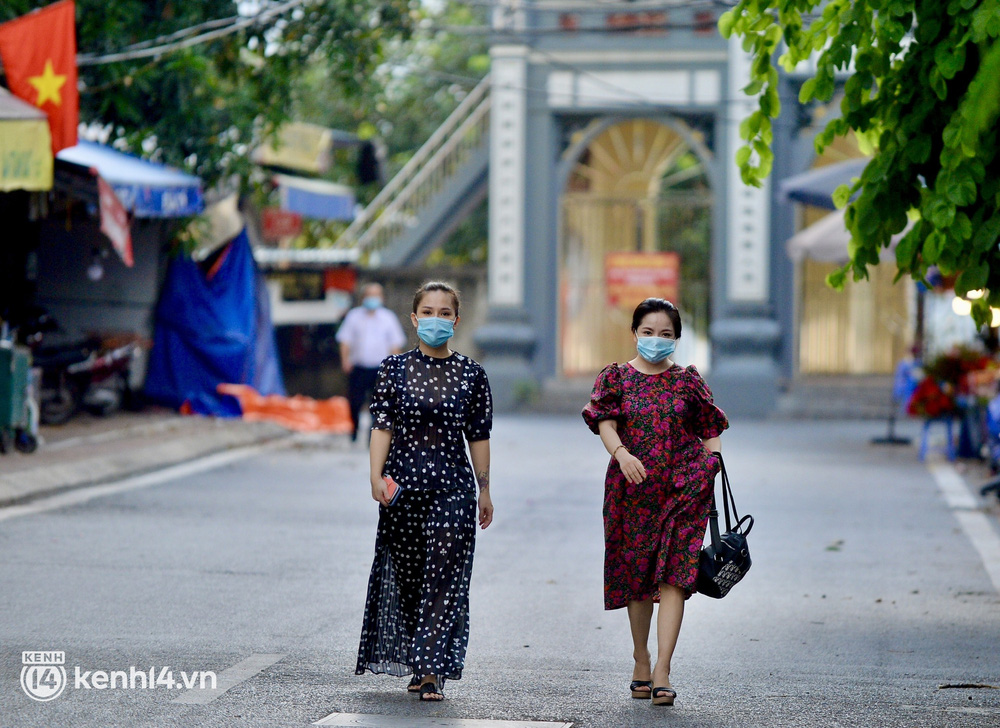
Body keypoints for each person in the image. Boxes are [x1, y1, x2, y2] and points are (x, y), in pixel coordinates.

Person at [581, 297, 728, 707]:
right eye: (648, 332)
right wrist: (622, 454)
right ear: (634, 333)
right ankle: (641, 657)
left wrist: (711, 462)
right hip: (632, 491)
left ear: (677, 339)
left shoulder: (688, 381)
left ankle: (663, 668)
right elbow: (604, 422)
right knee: (638, 577)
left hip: (684, 489)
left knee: (676, 575)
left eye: (666, 334)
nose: (656, 340)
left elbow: (710, 425)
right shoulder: (616, 378)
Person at [356, 281, 494, 702]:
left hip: (452, 490)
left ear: (456, 319)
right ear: (415, 319)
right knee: (413, 578)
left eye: (445, 312)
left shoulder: (472, 374)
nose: (437, 319)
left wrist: (484, 489)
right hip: (402, 491)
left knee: (444, 577)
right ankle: (420, 662)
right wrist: (375, 476)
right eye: (428, 312)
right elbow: (382, 426)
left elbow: (479, 435)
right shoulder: (393, 369)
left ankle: (431, 668)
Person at [336, 283, 406, 441]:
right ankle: (354, 429)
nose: (373, 298)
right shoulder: (354, 316)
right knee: (354, 402)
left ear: (381, 298)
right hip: (358, 367)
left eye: (376, 295)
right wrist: (345, 361)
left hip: (380, 369)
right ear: (363, 297)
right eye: (369, 295)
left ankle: (372, 435)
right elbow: (345, 341)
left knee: (379, 404)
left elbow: (395, 344)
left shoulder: (388, 318)